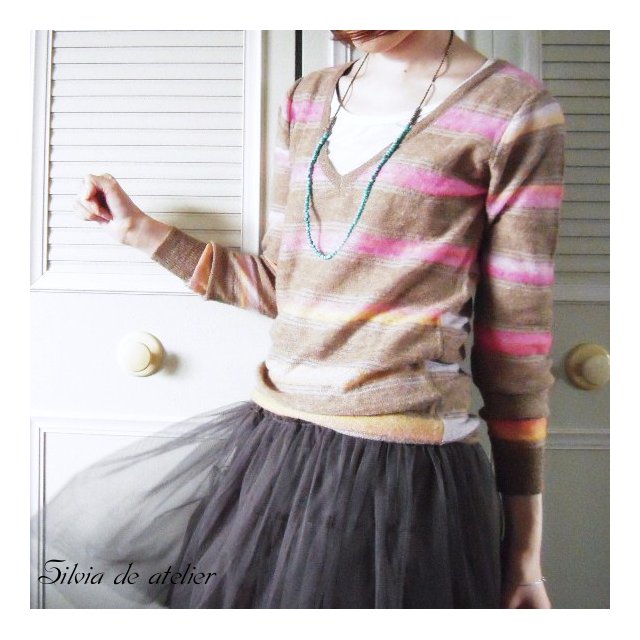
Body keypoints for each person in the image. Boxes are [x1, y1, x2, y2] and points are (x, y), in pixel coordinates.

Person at [36, 30, 565, 609]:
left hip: (404, 468)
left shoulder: (513, 111)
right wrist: (141, 232)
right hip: (279, 452)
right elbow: (282, 285)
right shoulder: (307, 100)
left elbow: (516, 345)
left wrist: (525, 557)